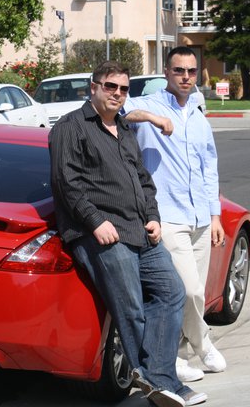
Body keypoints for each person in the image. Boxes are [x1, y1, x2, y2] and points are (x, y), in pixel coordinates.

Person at [49, 61, 207, 407]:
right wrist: (94, 221)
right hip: (101, 234)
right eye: (110, 86)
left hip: (139, 230)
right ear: (93, 88)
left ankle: (160, 378)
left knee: (172, 292)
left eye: (123, 89)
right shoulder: (70, 128)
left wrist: (153, 216)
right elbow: (66, 183)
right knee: (131, 305)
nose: (117, 94)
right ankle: (156, 379)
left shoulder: (124, 129)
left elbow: (143, 180)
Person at [123, 46, 226, 384]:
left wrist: (215, 216)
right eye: (179, 70)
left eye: (191, 71)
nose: (185, 77)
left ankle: (179, 357)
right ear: (166, 72)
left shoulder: (198, 117)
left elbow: (208, 168)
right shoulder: (149, 104)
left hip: (199, 217)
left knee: (190, 293)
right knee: (189, 292)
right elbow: (120, 111)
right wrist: (153, 119)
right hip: (167, 216)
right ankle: (204, 342)